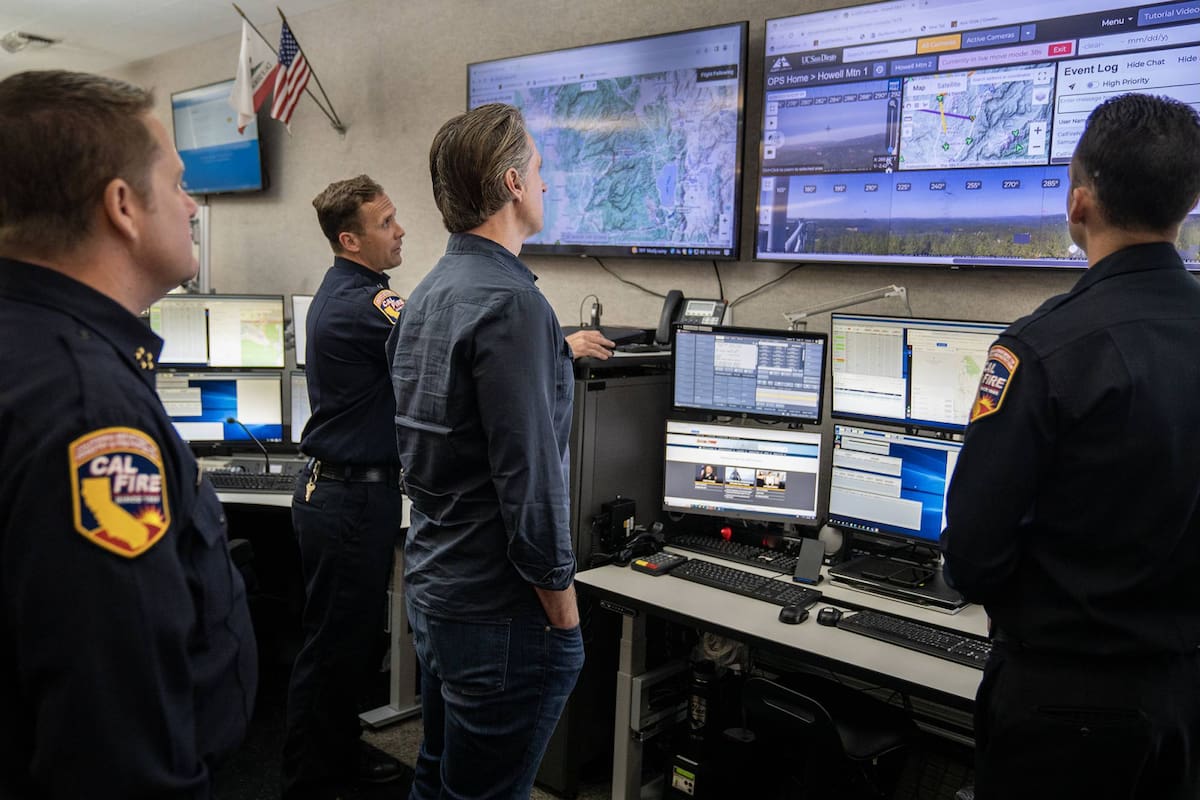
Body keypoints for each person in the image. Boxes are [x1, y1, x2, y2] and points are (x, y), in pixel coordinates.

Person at [0, 70, 257, 797]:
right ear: (122, 207)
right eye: (177, 184)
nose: (193, 206)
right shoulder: (91, 414)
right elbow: (115, 742)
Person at [941, 94, 1200, 800]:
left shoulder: (1042, 349)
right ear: (1186, 205)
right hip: (1184, 697)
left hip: (1063, 700)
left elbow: (972, 553)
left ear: (1078, 205)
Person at [389, 103, 585, 799]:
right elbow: (529, 484)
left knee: (439, 777)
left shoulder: (428, 295)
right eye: (538, 167)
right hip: (501, 614)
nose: (545, 181)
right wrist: (562, 613)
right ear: (511, 182)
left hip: (437, 587)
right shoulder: (514, 306)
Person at [282, 175, 411, 798]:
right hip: (352, 497)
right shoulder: (364, 304)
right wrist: (555, 345)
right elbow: (441, 347)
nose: (400, 230)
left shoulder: (346, 291)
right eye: (386, 223)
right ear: (349, 239)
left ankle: (336, 754)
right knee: (334, 648)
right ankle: (312, 779)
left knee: (347, 643)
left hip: (346, 493)